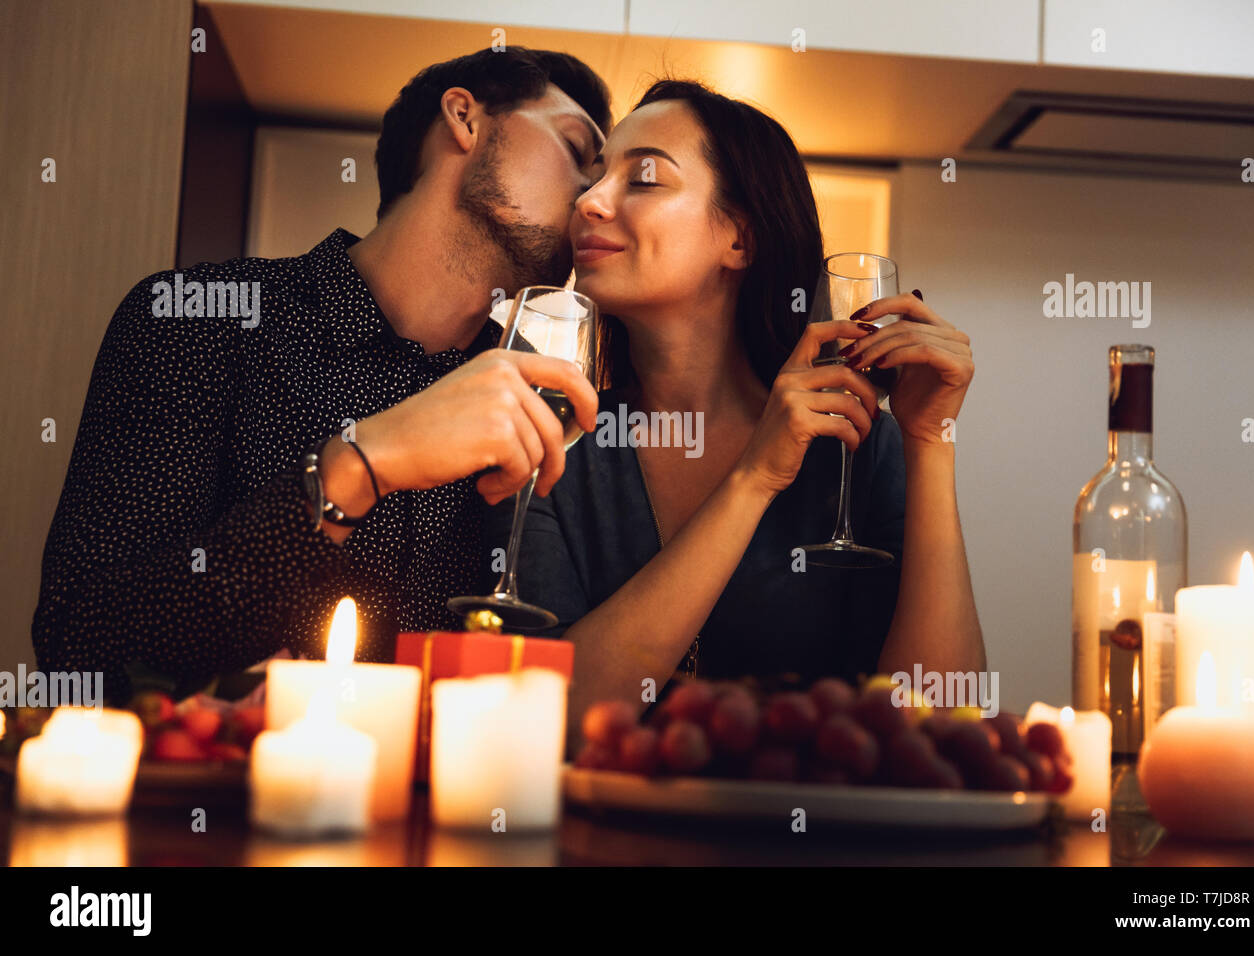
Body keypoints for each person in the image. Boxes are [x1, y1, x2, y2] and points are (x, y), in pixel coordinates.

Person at [33, 47, 611, 704]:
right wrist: (359, 467)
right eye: (576, 149)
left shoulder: (538, 412)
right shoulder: (198, 319)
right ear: (464, 117)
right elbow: (81, 648)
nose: (594, 197)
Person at [483, 81, 986, 750]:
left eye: (644, 178)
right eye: (596, 176)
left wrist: (930, 441)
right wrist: (754, 478)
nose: (590, 201)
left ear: (741, 238)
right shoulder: (552, 440)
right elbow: (548, 720)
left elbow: (941, 722)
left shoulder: (857, 445)